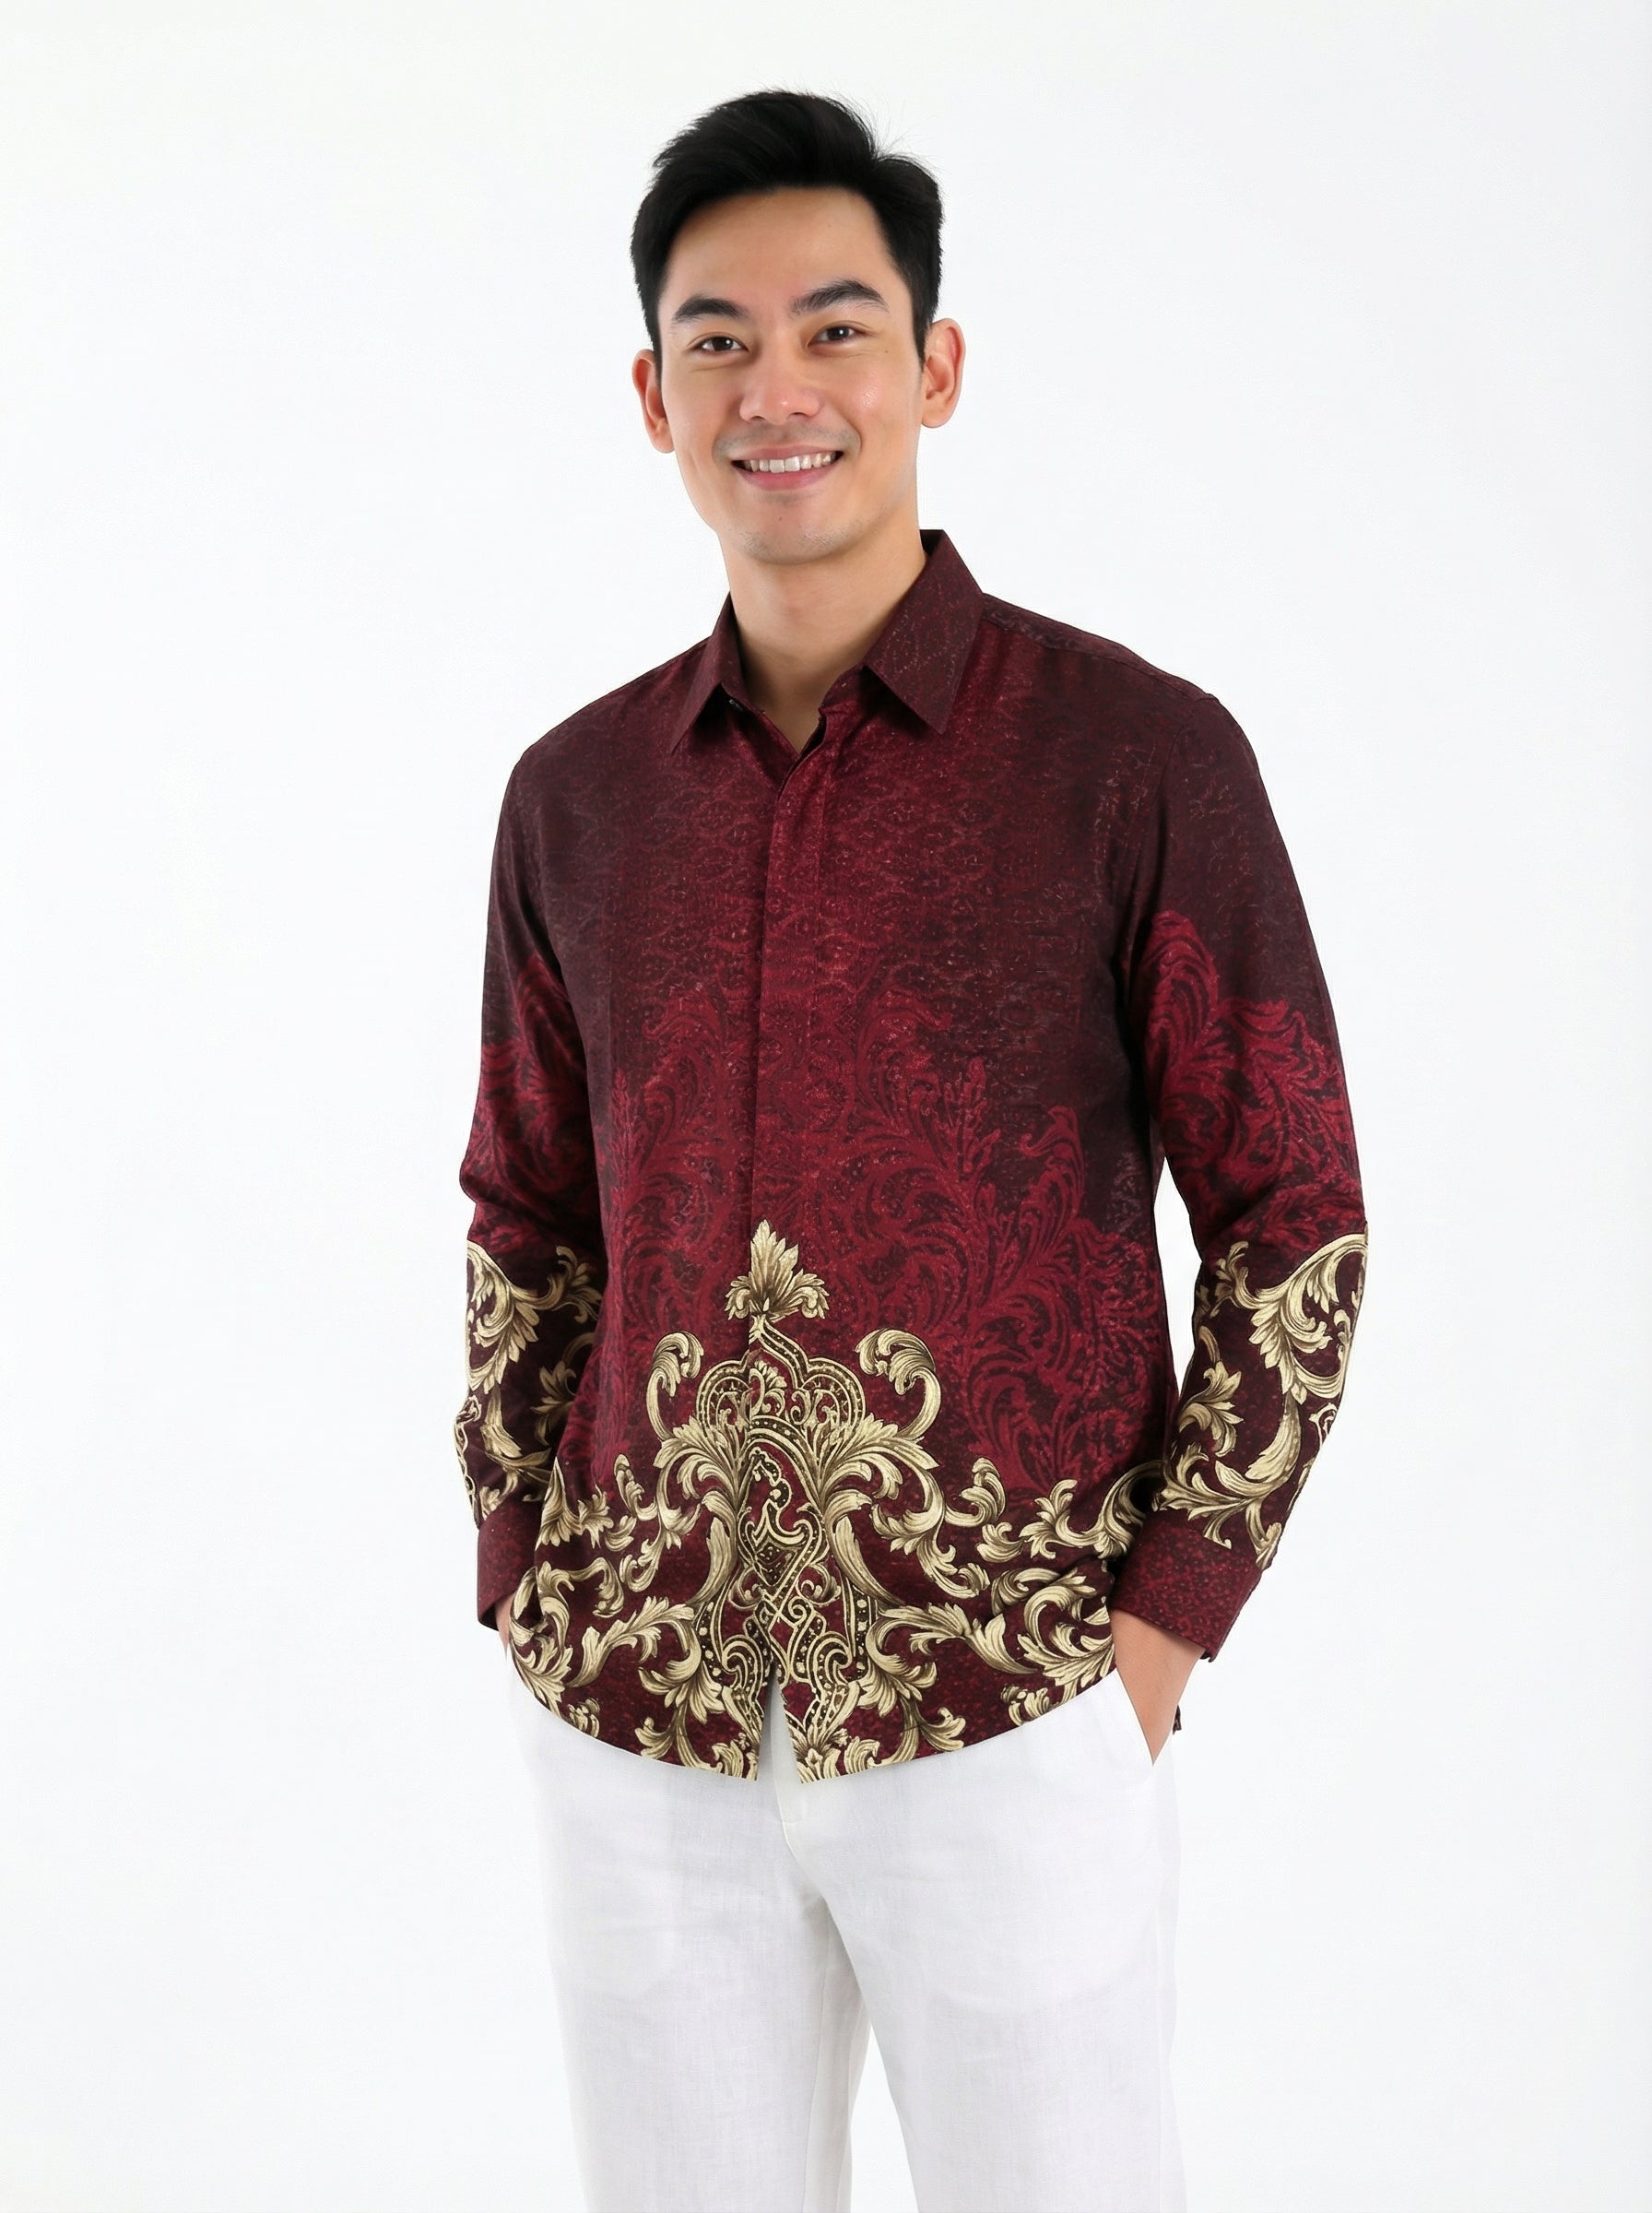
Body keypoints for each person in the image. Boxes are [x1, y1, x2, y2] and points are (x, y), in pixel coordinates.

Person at [454, 89, 1367, 2213]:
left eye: (835, 329)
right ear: (652, 396)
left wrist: (1152, 1637)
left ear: (932, 368)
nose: (774, 387)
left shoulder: (1133, 760)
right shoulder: (575, 798)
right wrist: (522, 1571)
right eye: (716, 340)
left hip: (1012, 1705)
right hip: (637, 1715)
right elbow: (525, 1208)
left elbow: (1292, 1213)